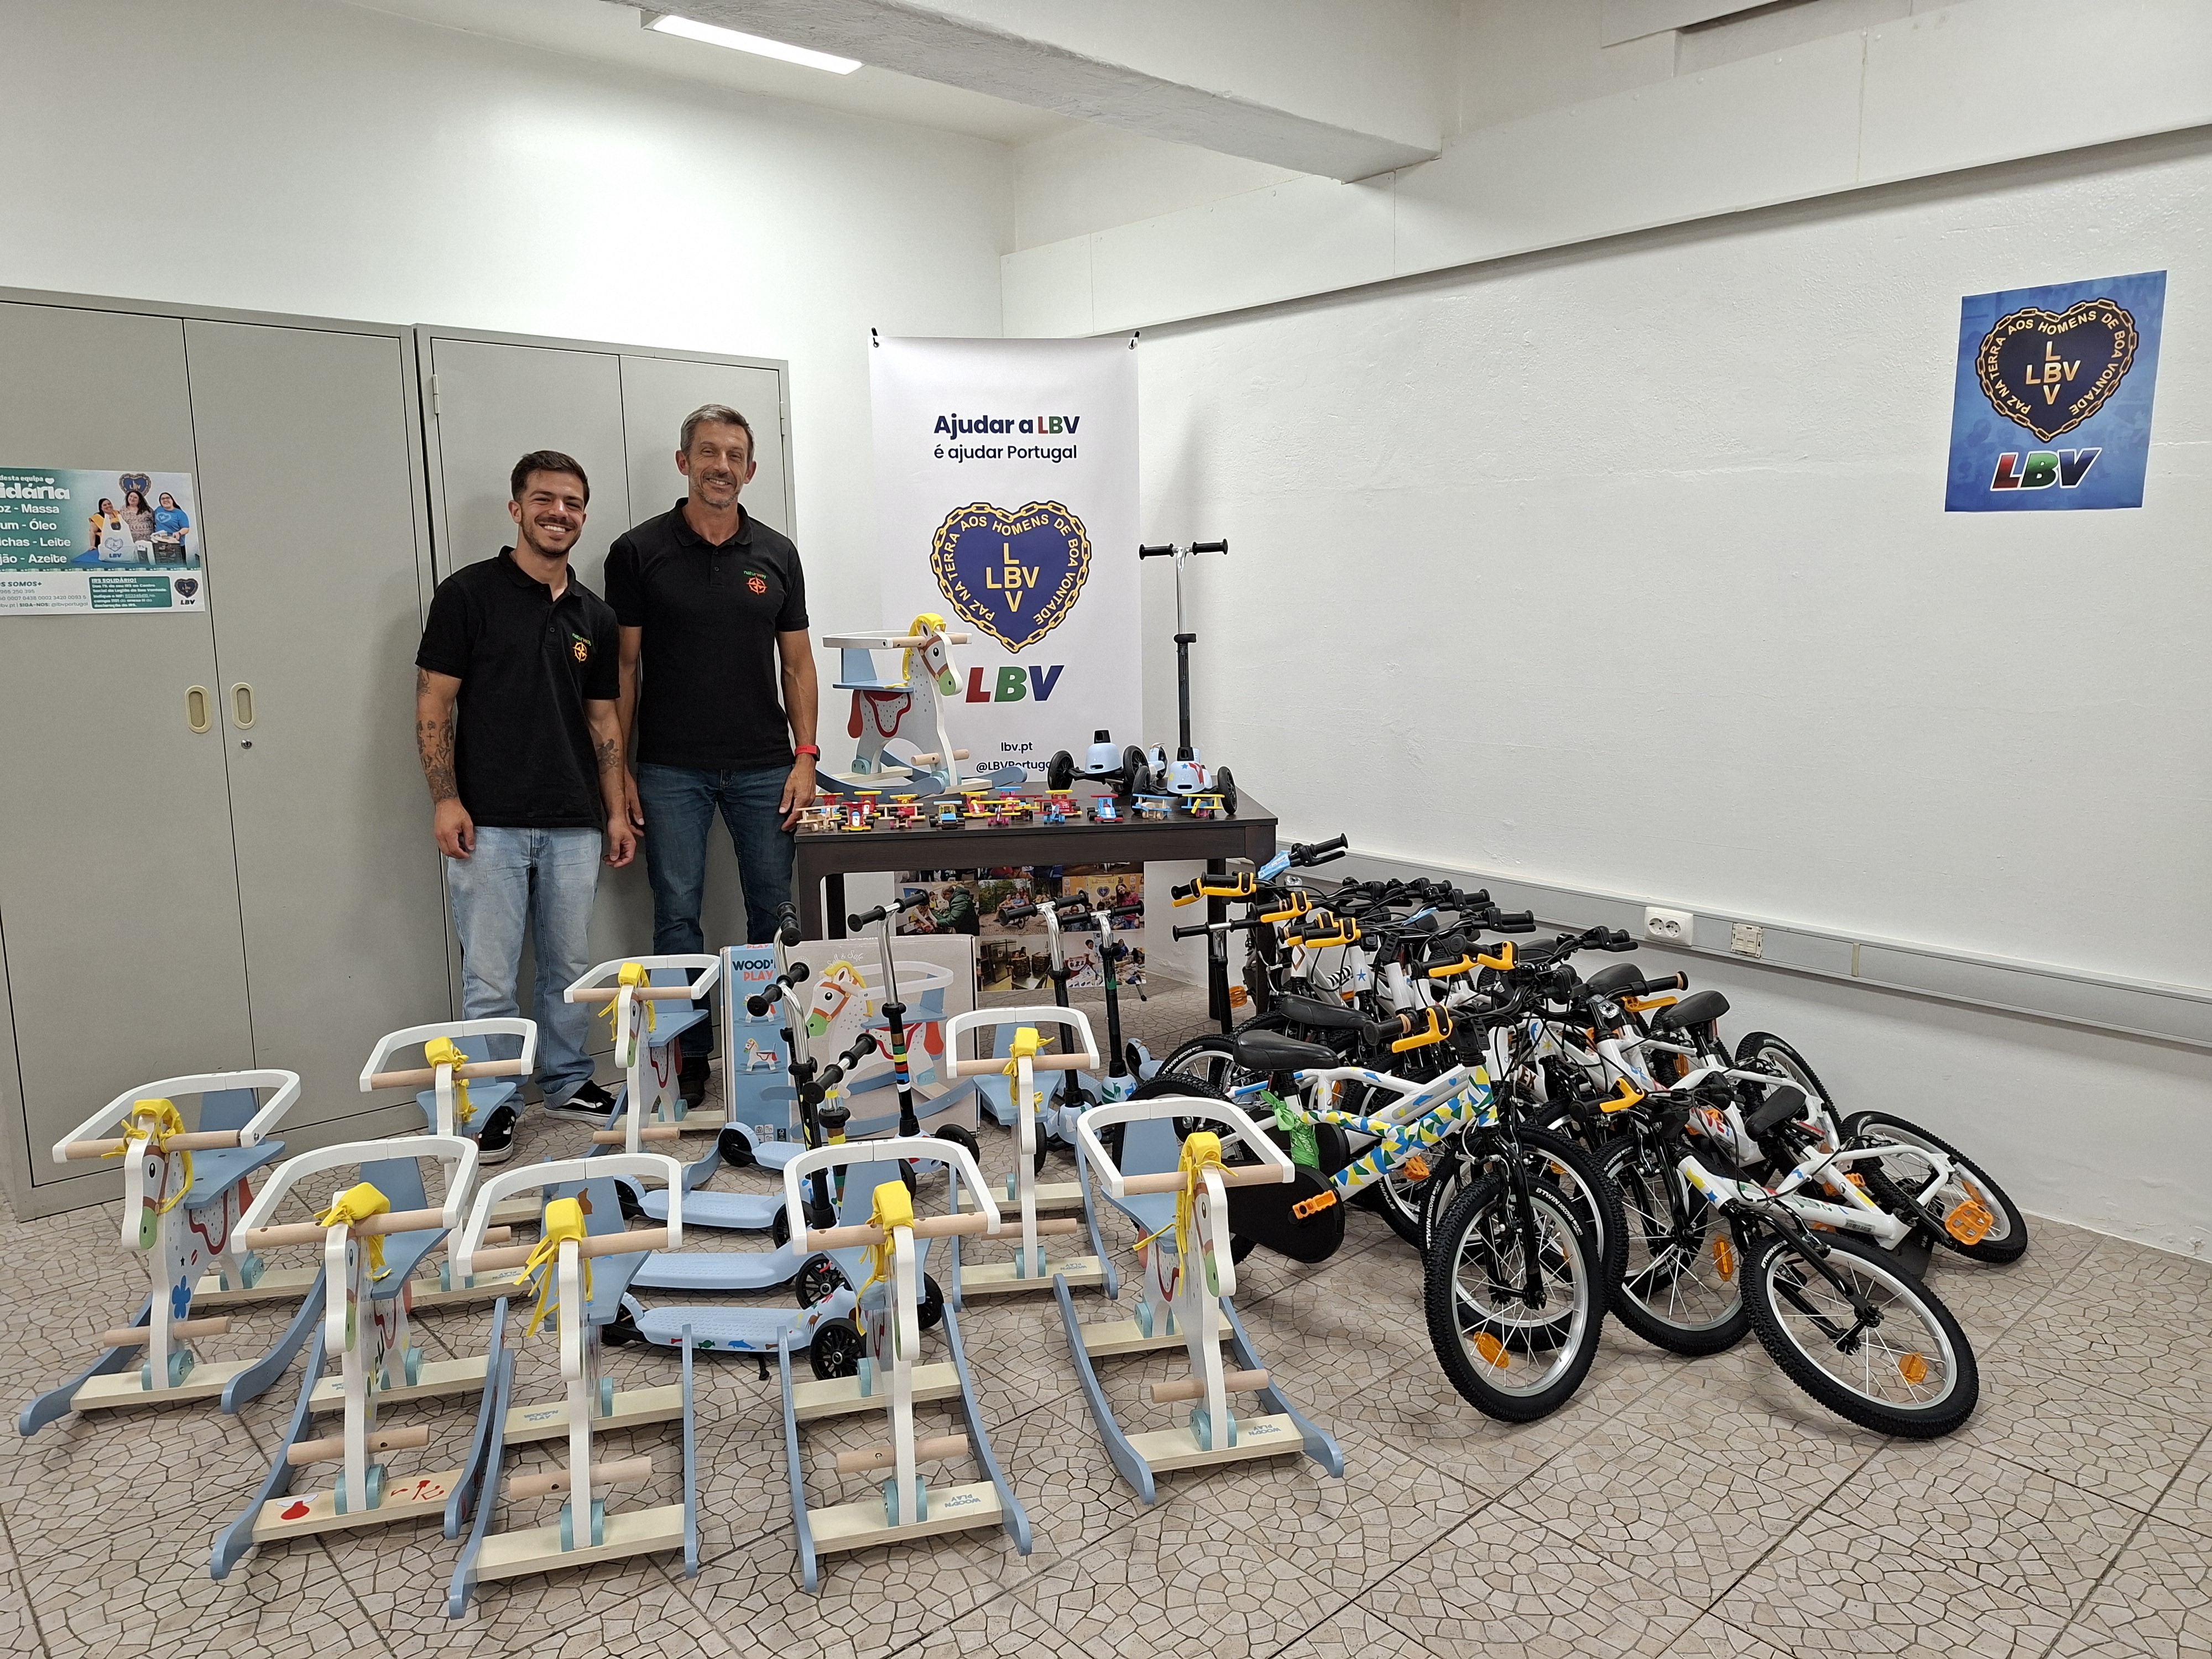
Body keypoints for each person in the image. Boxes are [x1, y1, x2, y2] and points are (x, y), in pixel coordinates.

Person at [413, 450, 635, 1160]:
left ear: (583, 516)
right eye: (544, 500)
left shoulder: (595, 615)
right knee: (490, 979)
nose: (557, 513)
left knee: (570, 970)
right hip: (489, 822)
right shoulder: (467, 595)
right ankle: (492, 1105)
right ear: (517, 509)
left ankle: (567, 1082)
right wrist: (446, 799)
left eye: (571, 503)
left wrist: (615, 812)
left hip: (573, 821)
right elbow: (433, 703)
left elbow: (604, 722)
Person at [606, 404, 818, 1105]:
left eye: (733, 455)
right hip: (670, 768)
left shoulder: (777, 554)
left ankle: (771, 1047)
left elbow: (797, 665)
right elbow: (624, 669)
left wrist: (805, 756)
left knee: (772, 913)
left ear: (749, 470)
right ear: (684, 462)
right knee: (676, 915)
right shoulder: (637, 552)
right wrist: (621, 770)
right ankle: (688, 1055)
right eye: (707, 452)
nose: (720, 466)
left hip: (766, 766)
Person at [151, 491, 190, 562]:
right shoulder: (158, 510)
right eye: (163, 499)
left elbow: (186, 529)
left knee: (179, 565)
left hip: (175, 546)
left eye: (168, 498)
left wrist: (179, 533)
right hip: (161, 545)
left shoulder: (180, 513)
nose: (165, 500)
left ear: (172, 500)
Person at [119, 487, 155, 553]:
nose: (132, 499)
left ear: (139, 500)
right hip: (132, 542)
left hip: (148, 542)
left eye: (135, 498)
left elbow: (155, 522)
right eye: (131, 496)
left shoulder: (147, 510)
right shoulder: (123, 510)